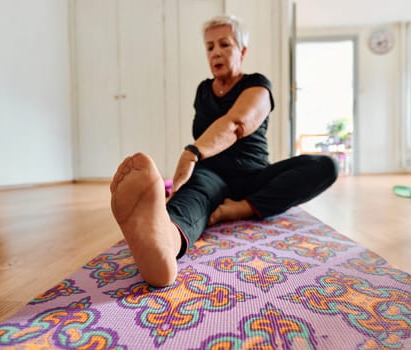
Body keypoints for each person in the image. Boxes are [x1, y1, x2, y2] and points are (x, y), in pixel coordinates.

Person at [110, 15, 338, 287]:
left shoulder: (257, 85)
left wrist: (192, 152)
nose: (216, 52)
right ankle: (164, 245)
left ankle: (241, 209)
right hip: (212, 174)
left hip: (254, 177)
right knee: (193, 198)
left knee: (325, 166)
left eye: (224, 45)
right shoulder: (203, 91)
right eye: (209, 47)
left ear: (242, 51)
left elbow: (236, 124)